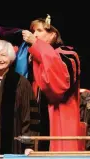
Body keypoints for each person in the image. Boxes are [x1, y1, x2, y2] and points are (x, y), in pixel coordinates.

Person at [20, 15, 81, 151]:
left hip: (59, 114)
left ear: (53, 34)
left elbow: (58, 86)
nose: (34, 34)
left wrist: (37, 45)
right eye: (33, 31)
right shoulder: (30, 55)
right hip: (36, 114)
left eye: (39, 31)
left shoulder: (68, 55)